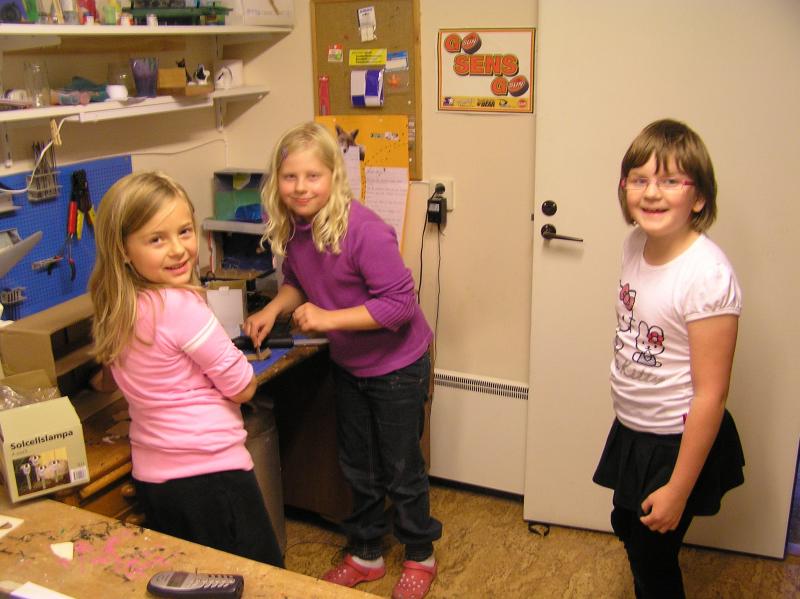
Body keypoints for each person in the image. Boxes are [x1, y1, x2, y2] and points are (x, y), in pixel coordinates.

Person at [243, 122, 441, 599]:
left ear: (334, 176)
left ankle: (420, 555)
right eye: (290, 177)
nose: (300, 187)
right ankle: (367, 553)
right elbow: (298, 280)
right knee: (358, 465)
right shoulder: (296, 228)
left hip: (397, 367)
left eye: (312, 176)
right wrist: (273, 308)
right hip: (351, 366)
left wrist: (328, 319)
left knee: (401, 468)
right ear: (276, 181)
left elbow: (400, 306)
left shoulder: (363, 230)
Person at [89, 171, 284, 568]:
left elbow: (107, 379)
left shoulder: (117, 308)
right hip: (212, 474)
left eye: (184, 231)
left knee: (192, 579)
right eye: (157, 239)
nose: (178, 250)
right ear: (123, 249)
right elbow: (244, 387)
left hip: (156, 478)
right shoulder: (180, 307)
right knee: (259, 580)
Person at [593, 119, 745, 598]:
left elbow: (711, 394)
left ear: (698, 197)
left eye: (671, 180)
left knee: (652, 555)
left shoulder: (707, 276)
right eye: (639, 179)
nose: (652, 193)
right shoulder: (635, 244)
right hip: (634, 427)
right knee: (627, 524)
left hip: (675, 439)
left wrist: (678, 490)